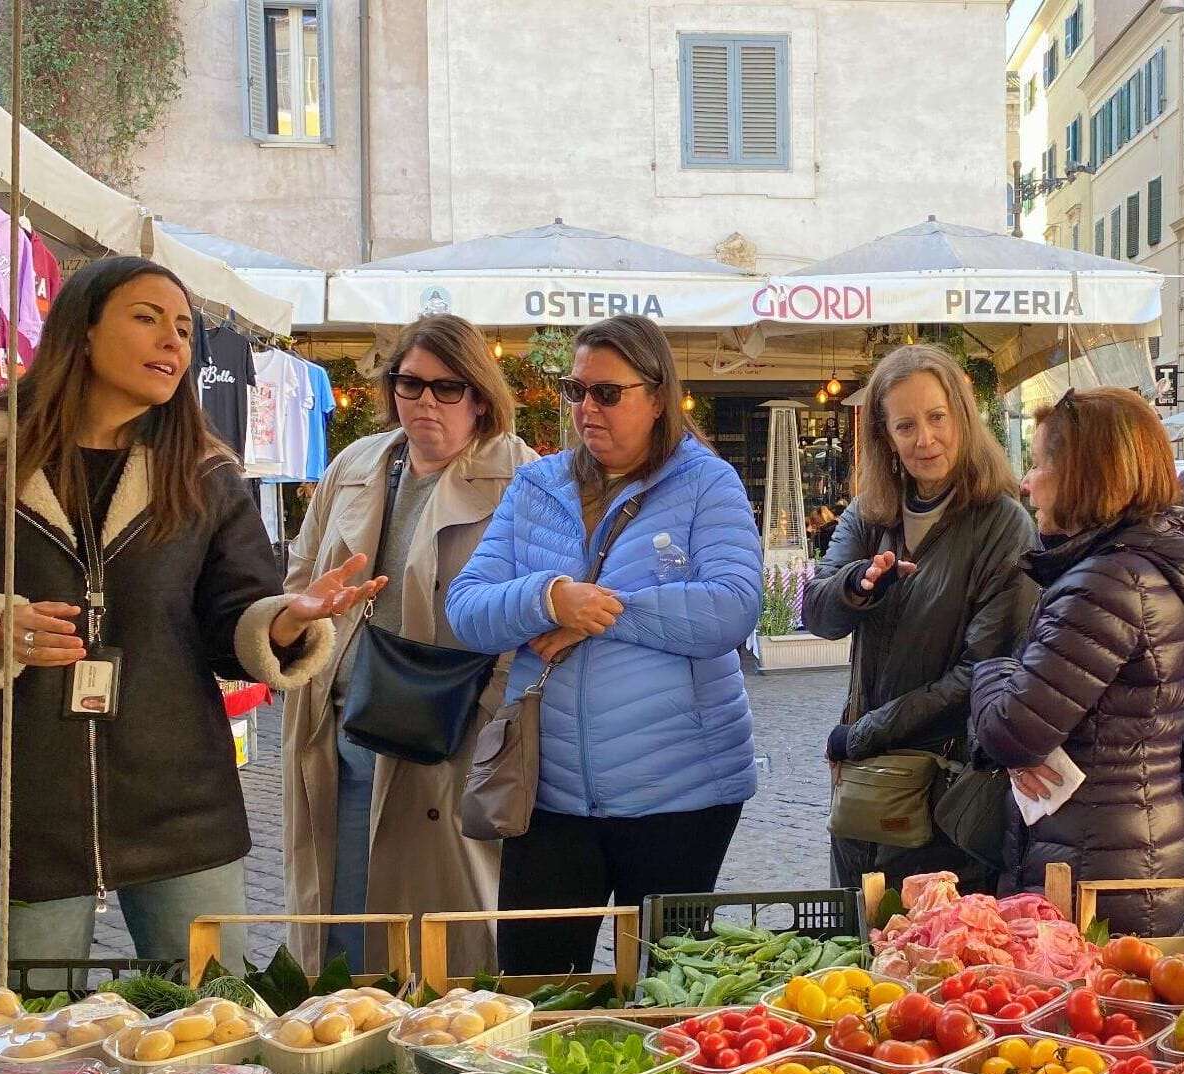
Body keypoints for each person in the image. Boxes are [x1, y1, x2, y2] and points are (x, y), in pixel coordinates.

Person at [0, 256, 373, 969]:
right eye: (147, 318)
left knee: (210, 1027)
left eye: (185, 329)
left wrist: (285, 621)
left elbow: (237, 616)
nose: (174, 341)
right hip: (19, 804)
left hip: (183, 803)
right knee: (26, 1046)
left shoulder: (203, 472)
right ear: (82, 328)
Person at [446, 314, 762, 974]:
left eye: (606, 392)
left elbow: (730, 611)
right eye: (575, 390)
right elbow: (466, 610)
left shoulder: (707, 484)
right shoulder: (537, 486)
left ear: (656, 397)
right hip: (550, 793)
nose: (586, 408)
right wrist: (547, 598)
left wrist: (599, 614)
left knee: (668, 990)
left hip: (683, 794)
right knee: (533, 984)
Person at [282, 314, 536, 976]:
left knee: (443, 938)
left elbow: (539, 617)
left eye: (447, 387)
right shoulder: (356, 464)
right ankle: (347, 1052)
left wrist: (491, 717)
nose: (425, 401)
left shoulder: (521, 475)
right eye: (409, 383)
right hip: (348, 722)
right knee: (347, 915)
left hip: (454, 733)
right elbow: (300, 578)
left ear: (479, 393)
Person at [802, 343, 1037, 892]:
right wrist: (857, 587)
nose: (925, 439)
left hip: (946, 793)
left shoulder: (1002, 524)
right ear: (885, 436)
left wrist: (862, 734)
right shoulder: (870, 511)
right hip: (865, 793)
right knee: (856, 953)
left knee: (932, 958)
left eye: (937, 418)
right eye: (905, 425)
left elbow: (983, 670)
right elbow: (817, 613)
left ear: (962, 416)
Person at [972, 387, 1184, 937]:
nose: (1026, 482)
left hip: (1097, 872)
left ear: (1084, 476)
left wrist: (990, 670)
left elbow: (1010, 732)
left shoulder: (1106, 583)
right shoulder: (1144, 565)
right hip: (1131, 855)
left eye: (1039, 464)